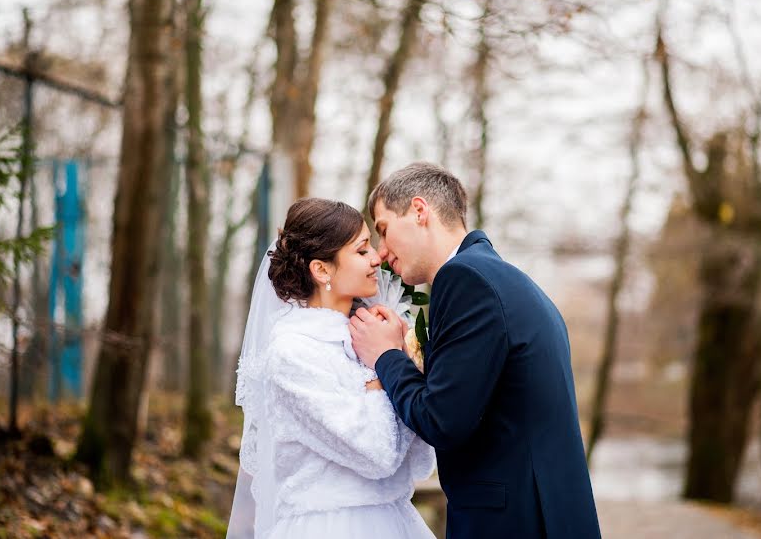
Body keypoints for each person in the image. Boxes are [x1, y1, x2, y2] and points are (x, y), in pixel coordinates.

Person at [350, 162, 601, 539]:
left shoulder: (466, 280)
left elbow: (442, 420)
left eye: (384, 230)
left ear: (420, 211)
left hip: (514, 522)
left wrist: (386, 356)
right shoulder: (500, 277)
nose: (382, 252)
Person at [227, 198, 435, 539]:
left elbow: (418, 461)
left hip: (395, 519)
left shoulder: (372, 335)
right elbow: (378, 455)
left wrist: (401, 359)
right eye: (362, 250)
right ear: (322, 270)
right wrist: (380, 371)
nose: (377, 258)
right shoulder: (293, 351)